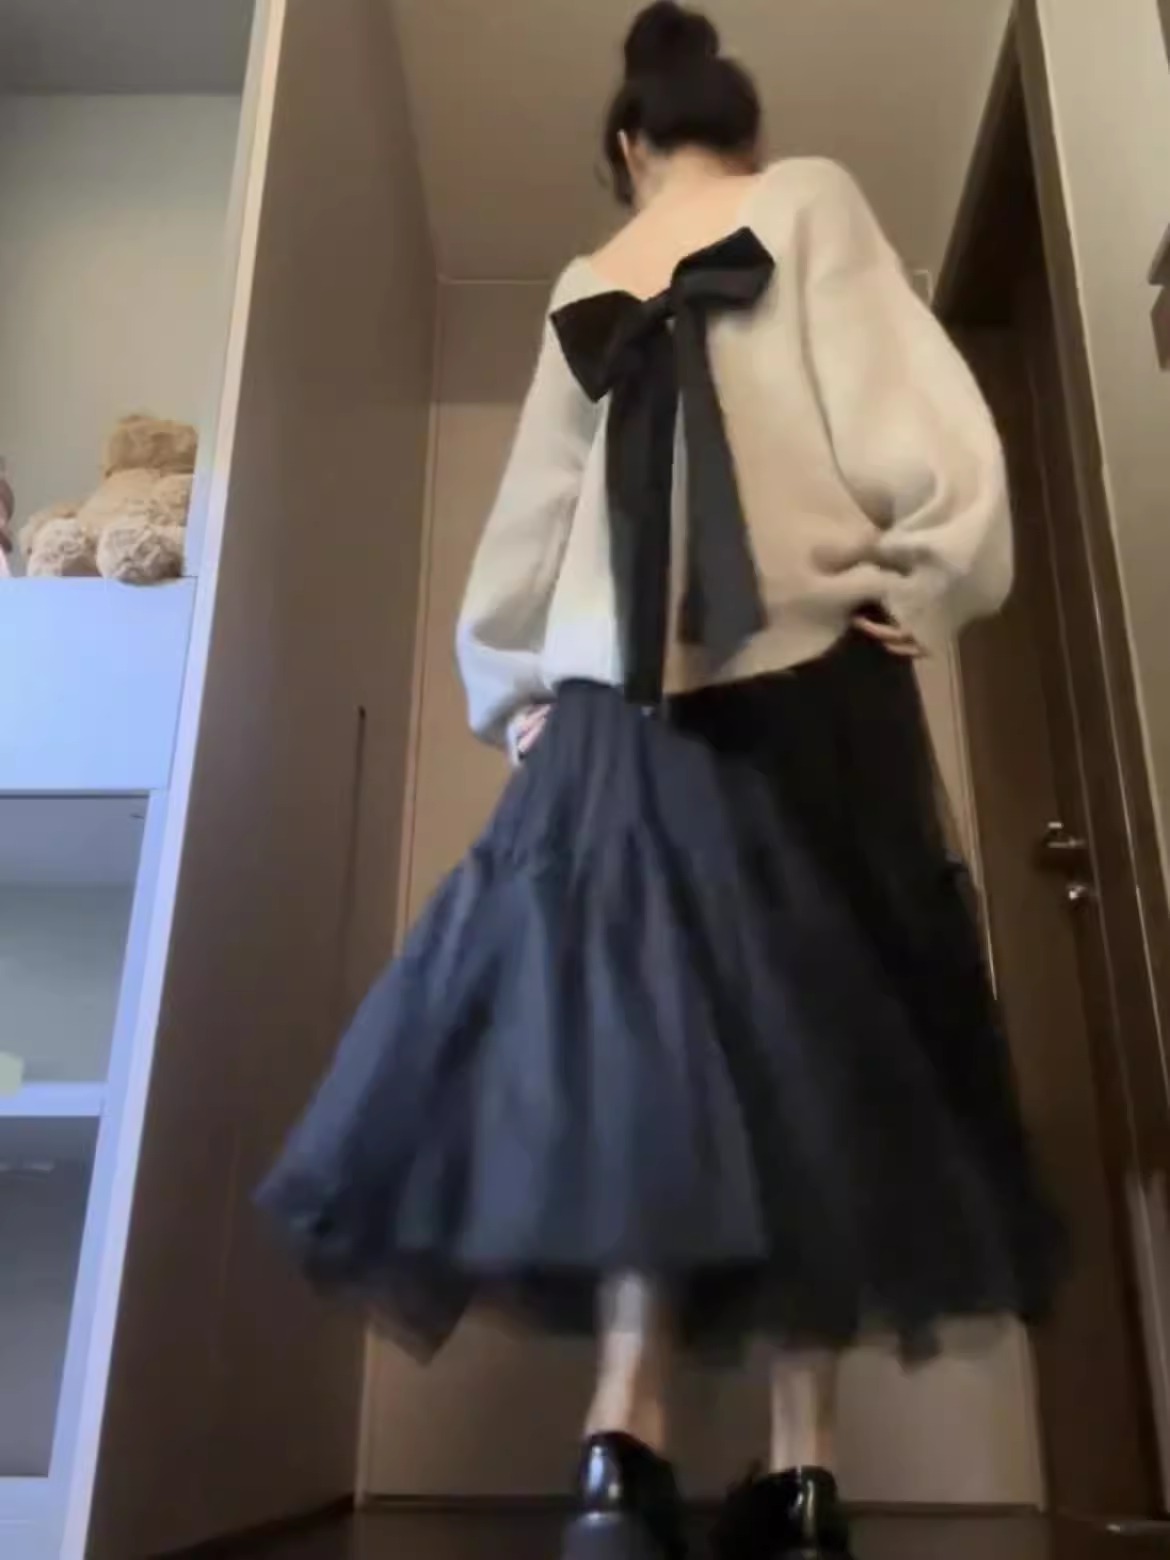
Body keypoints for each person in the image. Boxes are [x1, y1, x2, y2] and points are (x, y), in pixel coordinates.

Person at [258, 5, 1065, 1557]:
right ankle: (804, 1476)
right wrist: (933, 568)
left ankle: (614, 1457)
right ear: (740, 131)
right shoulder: (809, 199)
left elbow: (534, 515)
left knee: (631, 1051)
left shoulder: (588, 278)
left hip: (618, 706)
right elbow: (909, 401)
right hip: (805, 685)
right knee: (822, 1056)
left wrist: (511, 683)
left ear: (628, 147)